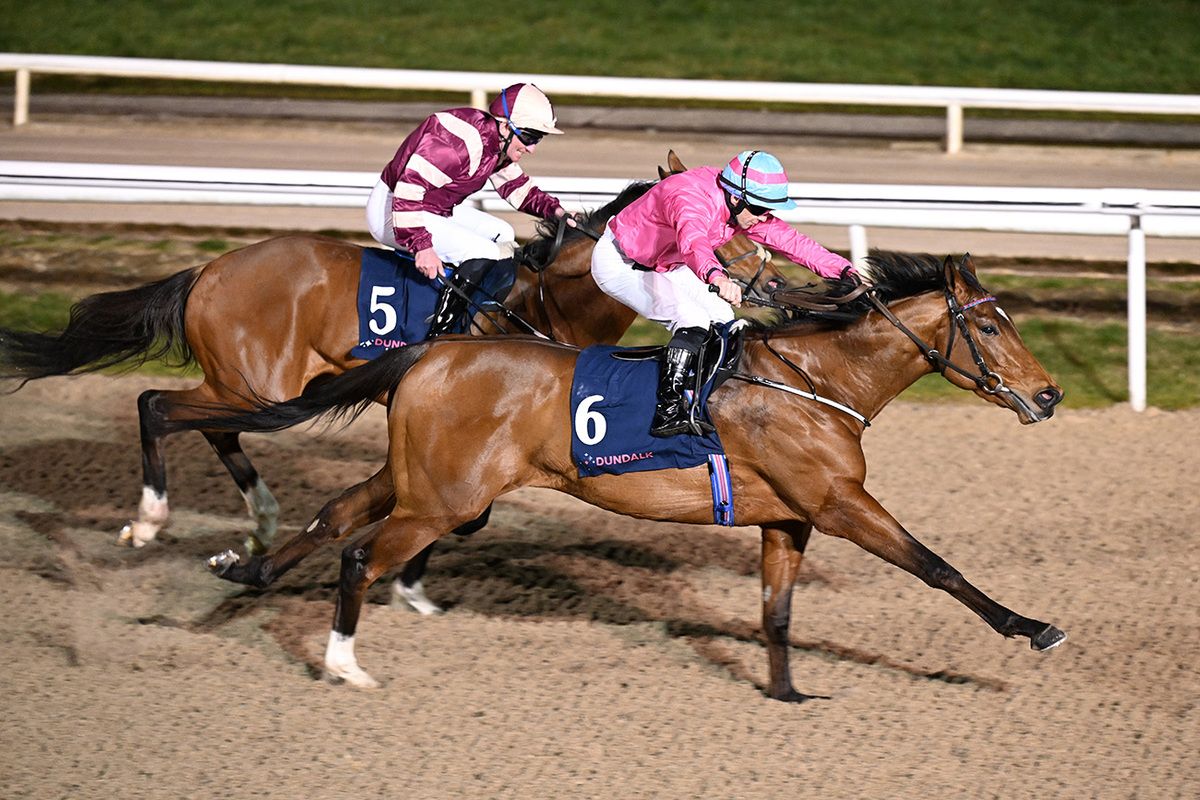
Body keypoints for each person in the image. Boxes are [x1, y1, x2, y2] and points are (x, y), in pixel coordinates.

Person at [591, 149, 864, 437]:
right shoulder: (688, 195)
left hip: (666, 265)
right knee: (691, 319)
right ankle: (666, 413)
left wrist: (845, 270)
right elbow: (693, 241)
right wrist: (716, 277)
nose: (763, 217)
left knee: (724, 319)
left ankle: (701, 398)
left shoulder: (742, 207)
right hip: (620, 263)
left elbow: (793, 243)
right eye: (760, 209)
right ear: (736, 198)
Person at [366, 83, 570, 337]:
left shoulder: (496, 141)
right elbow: (408, 189)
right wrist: (422, 246)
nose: (532, 148)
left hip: (432, 207)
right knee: (481, 250)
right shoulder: (458, 146)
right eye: (529, 137)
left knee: (503, 233)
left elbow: (516, 187)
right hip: (395, 209)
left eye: (538, 138)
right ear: (506, 126)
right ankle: (442, 334)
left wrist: (557, 213)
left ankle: (484, 318)